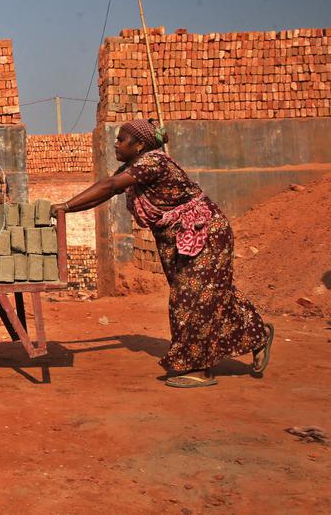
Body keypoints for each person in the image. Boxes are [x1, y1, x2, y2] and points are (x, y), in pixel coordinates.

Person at [51, 118, 274, 388]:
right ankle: (257, 334)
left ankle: (198, 368)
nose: (116, 143)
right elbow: (108, 190)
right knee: (210, 292)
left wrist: (64, 204)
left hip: (203, 232)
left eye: (121, 139)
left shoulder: (153, 163)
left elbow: (108, 186)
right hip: (179, 238)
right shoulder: (134, 167)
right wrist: (67, 209)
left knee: (190, 297)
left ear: (140, 145)